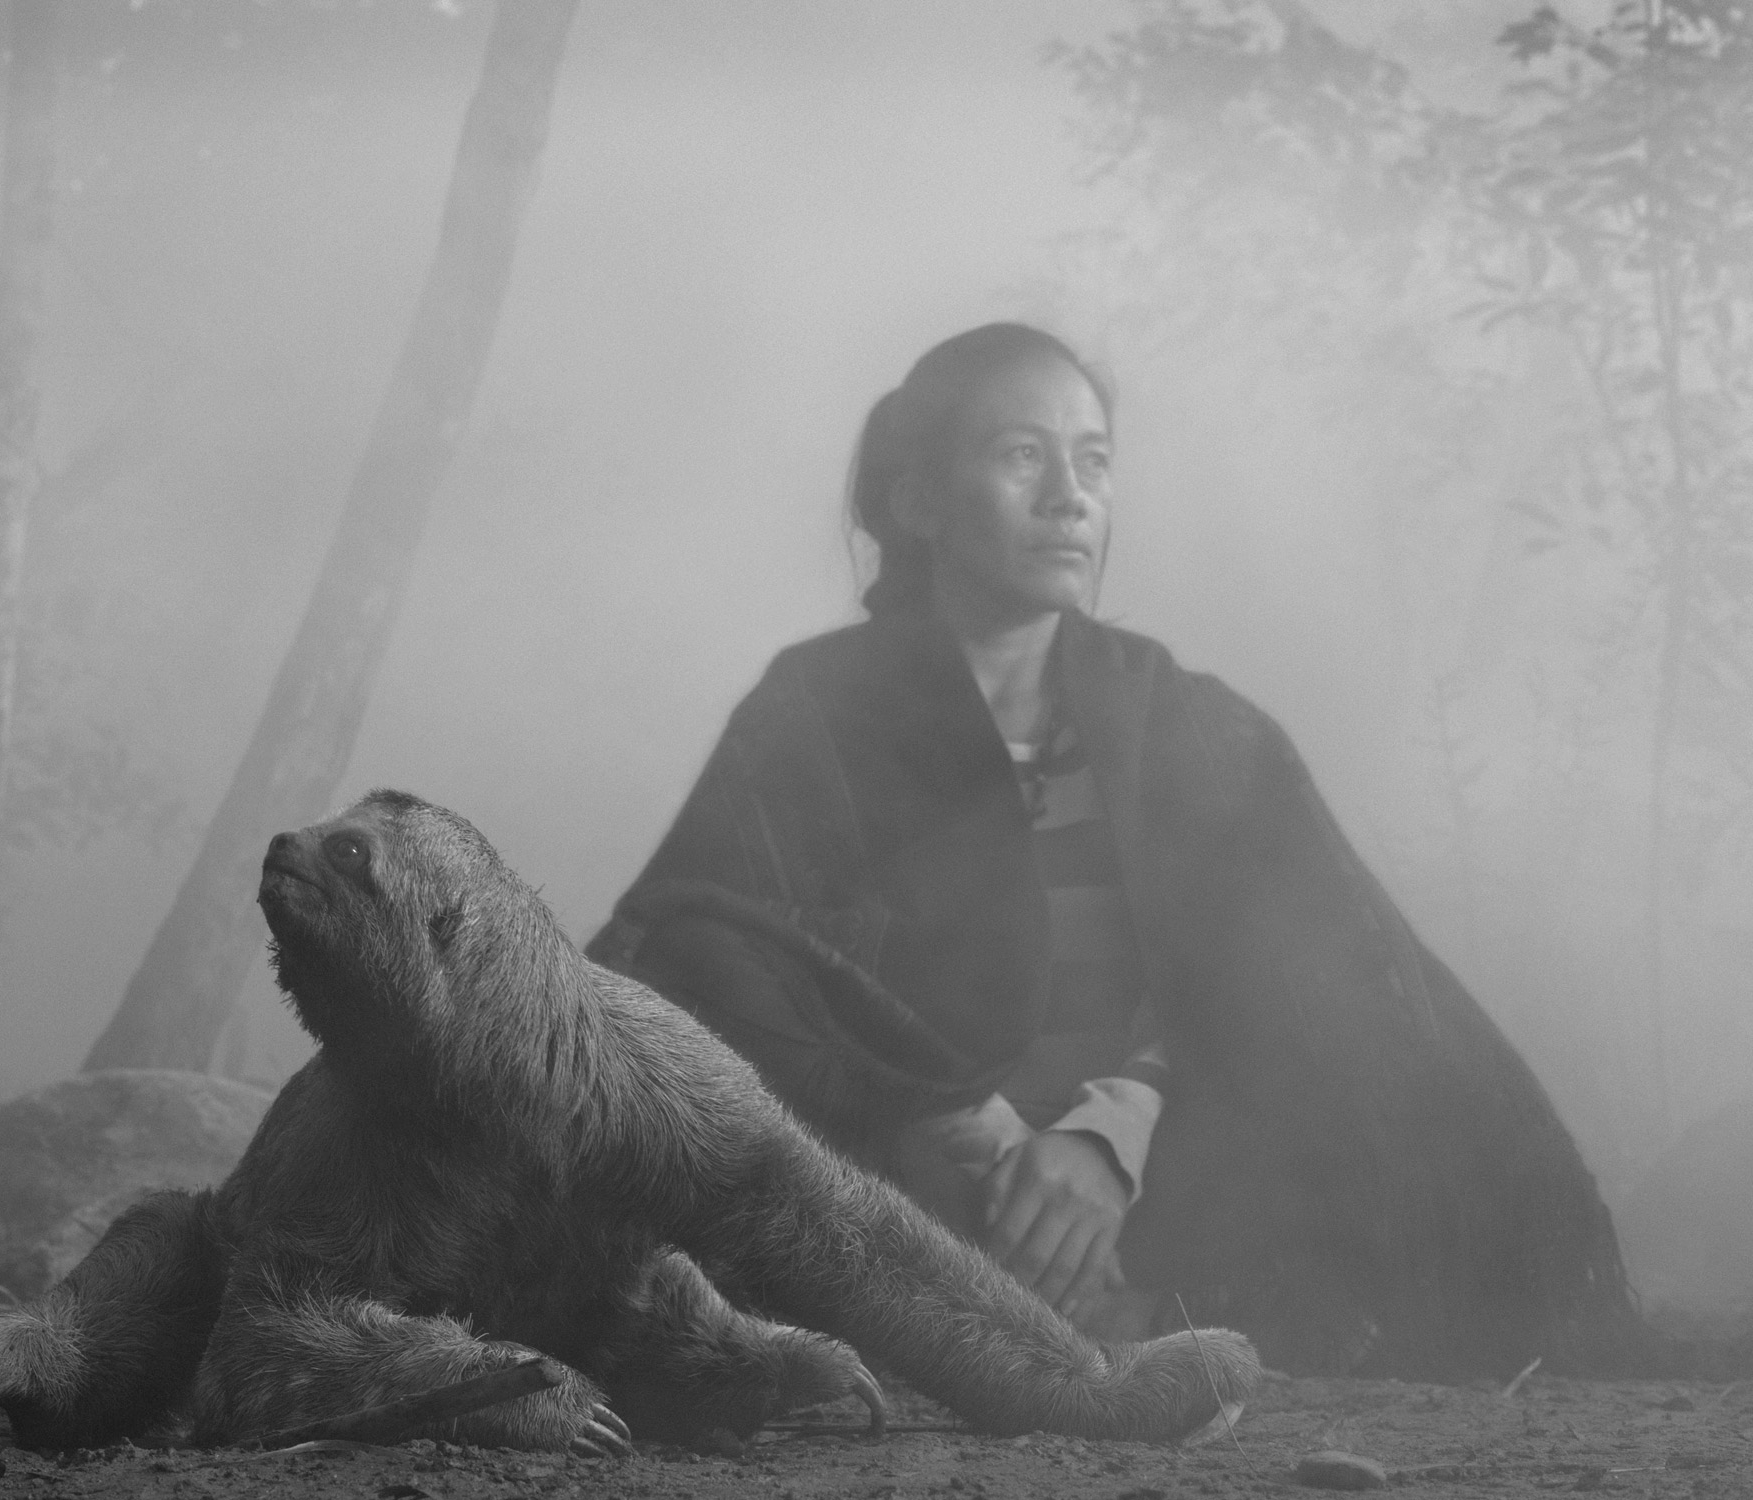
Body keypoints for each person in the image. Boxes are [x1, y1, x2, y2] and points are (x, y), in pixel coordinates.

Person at [586, 322, 1634, 1377]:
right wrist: (952, 1130)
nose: (1068, 497)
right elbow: (699, 959)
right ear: (918, 500)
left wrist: (1109, 1136)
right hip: (890, 1183)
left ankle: (1143, 1302)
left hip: (1168, 1187)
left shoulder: (1191, 726)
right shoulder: (813, 712)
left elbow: (1300, 984)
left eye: (1092, 461)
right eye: (1021, 455)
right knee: (690, 984)